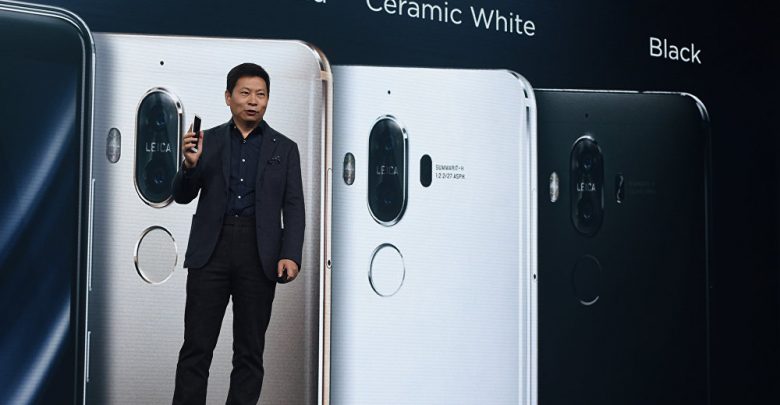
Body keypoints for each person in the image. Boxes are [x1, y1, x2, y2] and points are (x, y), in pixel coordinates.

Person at [171, 62, 305, 405]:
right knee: (196, 348)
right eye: (245, 93)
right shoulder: (208, 141)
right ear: (228, 97)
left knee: (249, 352)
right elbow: (183, 195)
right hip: (210, 251)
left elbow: (294, 206)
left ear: (268, 100)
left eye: (261, 94)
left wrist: (290, 254)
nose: (253, 101)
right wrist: (189, 165)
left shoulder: (284, 148)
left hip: (259, 252)